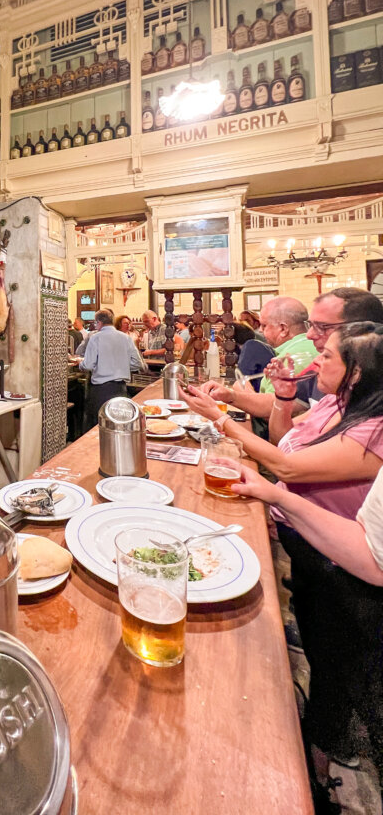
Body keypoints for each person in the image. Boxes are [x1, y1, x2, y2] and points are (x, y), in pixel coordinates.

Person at [182, 323, 383, 786]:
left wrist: (221, 418)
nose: (316, 359)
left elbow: (287, 465)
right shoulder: (337, 405)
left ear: (357, 372)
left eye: (327, 355)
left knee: (340, 663)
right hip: (311, 539)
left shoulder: (372, 428)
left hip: (341, 559)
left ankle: (323, 762)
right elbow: (283, 443)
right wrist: (284, 398)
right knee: (316, 642)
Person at [200, 289, 383, 425]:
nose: (309, 335)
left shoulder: (368, 404)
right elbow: (288, 435)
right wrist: (230, 396)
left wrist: (222, 414)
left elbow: (288, 464)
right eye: (310, 325)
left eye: (321, 326)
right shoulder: (327, 381)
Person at [79, 309, 144, 428]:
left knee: (98, 428)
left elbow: (88, 365)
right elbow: (137, 363)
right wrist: (122, 365)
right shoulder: (126, 338)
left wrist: (80, 364)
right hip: (121, 389)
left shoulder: (96, 338)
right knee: (118, 425)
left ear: (98, 322)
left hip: (101, 390)